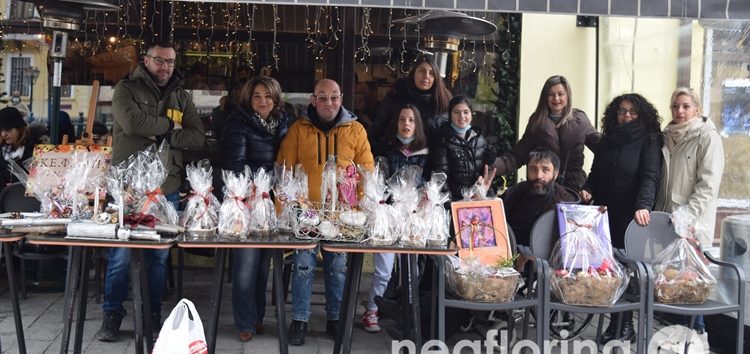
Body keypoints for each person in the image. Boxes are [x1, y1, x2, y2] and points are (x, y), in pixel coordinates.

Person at [98, 41, 205, 342]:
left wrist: (162, 129)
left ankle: (152, 314)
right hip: (129, 191)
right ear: (146, 60)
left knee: (158, 259)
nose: (165, 67)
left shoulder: (181, 96)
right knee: (121, 256)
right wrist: (170, 125)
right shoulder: (126, 89)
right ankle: (112, 315)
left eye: (170, 62)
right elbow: (132, 123)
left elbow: (198, 136)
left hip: (165, 189)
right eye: (159, 60)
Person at [276, 78, 374, 346]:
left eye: (334, 97)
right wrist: (284, 212)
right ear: (313, 99)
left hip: (342, 214)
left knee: (338, 266)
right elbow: (284, 171)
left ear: (341, 98)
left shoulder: (356, 131)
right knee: (303, 264)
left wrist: (361, 209)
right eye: (322, 97)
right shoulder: (298, 130)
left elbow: (367, 172)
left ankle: (336, 319)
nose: (328, 103)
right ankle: (300, 319)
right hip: (306, 212)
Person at [579, 93, 662, 344]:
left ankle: (623, 325)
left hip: (630, 214)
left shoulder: (649, 140)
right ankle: (618, 325)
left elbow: (650, 176)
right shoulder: (609, 139)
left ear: (642, 114)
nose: (626, 115)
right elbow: (595, 172)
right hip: (604, 212)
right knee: (609, 269)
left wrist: (644, 206)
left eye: (632, 111)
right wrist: (588, 187)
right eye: (622, 111)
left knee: (626, 269)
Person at [222, 76, 290, 342]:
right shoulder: (238, 123)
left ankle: (258, 316)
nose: (263, 101)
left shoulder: (284, 123)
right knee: (246, 263)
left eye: (268, 96)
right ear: (249, 99)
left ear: (276, 98)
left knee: (264, 265)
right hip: (248, 202)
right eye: (257, 96)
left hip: (274, 204)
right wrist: (254, 192)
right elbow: (234, 164)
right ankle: (244, 322)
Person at [655, 87, 724, 337]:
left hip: (691, 225)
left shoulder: (707, 137)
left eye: (685, 106)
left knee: (690, 286)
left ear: (697, 109)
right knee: (671, 284)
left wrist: (687, 217)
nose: (680, 111)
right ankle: (676, 337)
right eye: (675, 106)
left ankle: (697, 337)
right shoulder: (665, 136)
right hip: (666, 221)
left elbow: (708, 185)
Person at [363, 104, 429, 334]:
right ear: (396, 123)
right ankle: (372, 310)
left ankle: (408, 312)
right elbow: (378, 181)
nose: (406, 124)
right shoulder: (385, 149)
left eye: (411, 120)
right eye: (402, 119)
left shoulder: (425, 154)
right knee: (384, 270)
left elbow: (429, 184)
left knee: (412, 270)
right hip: (388, 218)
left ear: (417, 124)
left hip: (412, 218)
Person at [493, 75, 600, 191]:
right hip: (544, 187)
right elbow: (517, 156)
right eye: (551, 94)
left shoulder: (581, 120)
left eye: (560, 94)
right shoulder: (536, 122)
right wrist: (491, 166)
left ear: (567, 96)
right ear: (545, 97)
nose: (556, 98)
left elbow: (603, 149)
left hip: (576, 189)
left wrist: (590, 185)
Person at [371, 55, 452, 149]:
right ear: (414, 73)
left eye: (431, 73)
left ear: (436, 78)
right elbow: (377, 130)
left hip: (432, 157)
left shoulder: (444, 100)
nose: (426, 76)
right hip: (395, 154)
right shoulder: (397, 94)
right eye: (422, 71)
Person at [501, 148, 578, 246]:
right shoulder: (511, 196)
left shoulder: (567, 205)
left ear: (555, 173)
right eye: (533, 169)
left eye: (545, 170)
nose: (538, 176)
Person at [431, 96, 496, 201]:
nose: (462, 116)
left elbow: (487, 173)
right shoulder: (442, 140)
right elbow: (441, 177)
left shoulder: (479, 139)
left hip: (479, 198)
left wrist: (484, 190)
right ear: (450, 115)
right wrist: (450, 203)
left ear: (471, 115)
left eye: (466, 112)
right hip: (456, 201)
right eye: (456, 112)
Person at [0, 107, 47, 188]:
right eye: (1, 130)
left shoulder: (35, 150)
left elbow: (41, 181)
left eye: (8, 129)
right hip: (5, 198)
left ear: (19, 128)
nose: (4, 134)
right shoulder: (2, 150)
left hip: (28, 199)